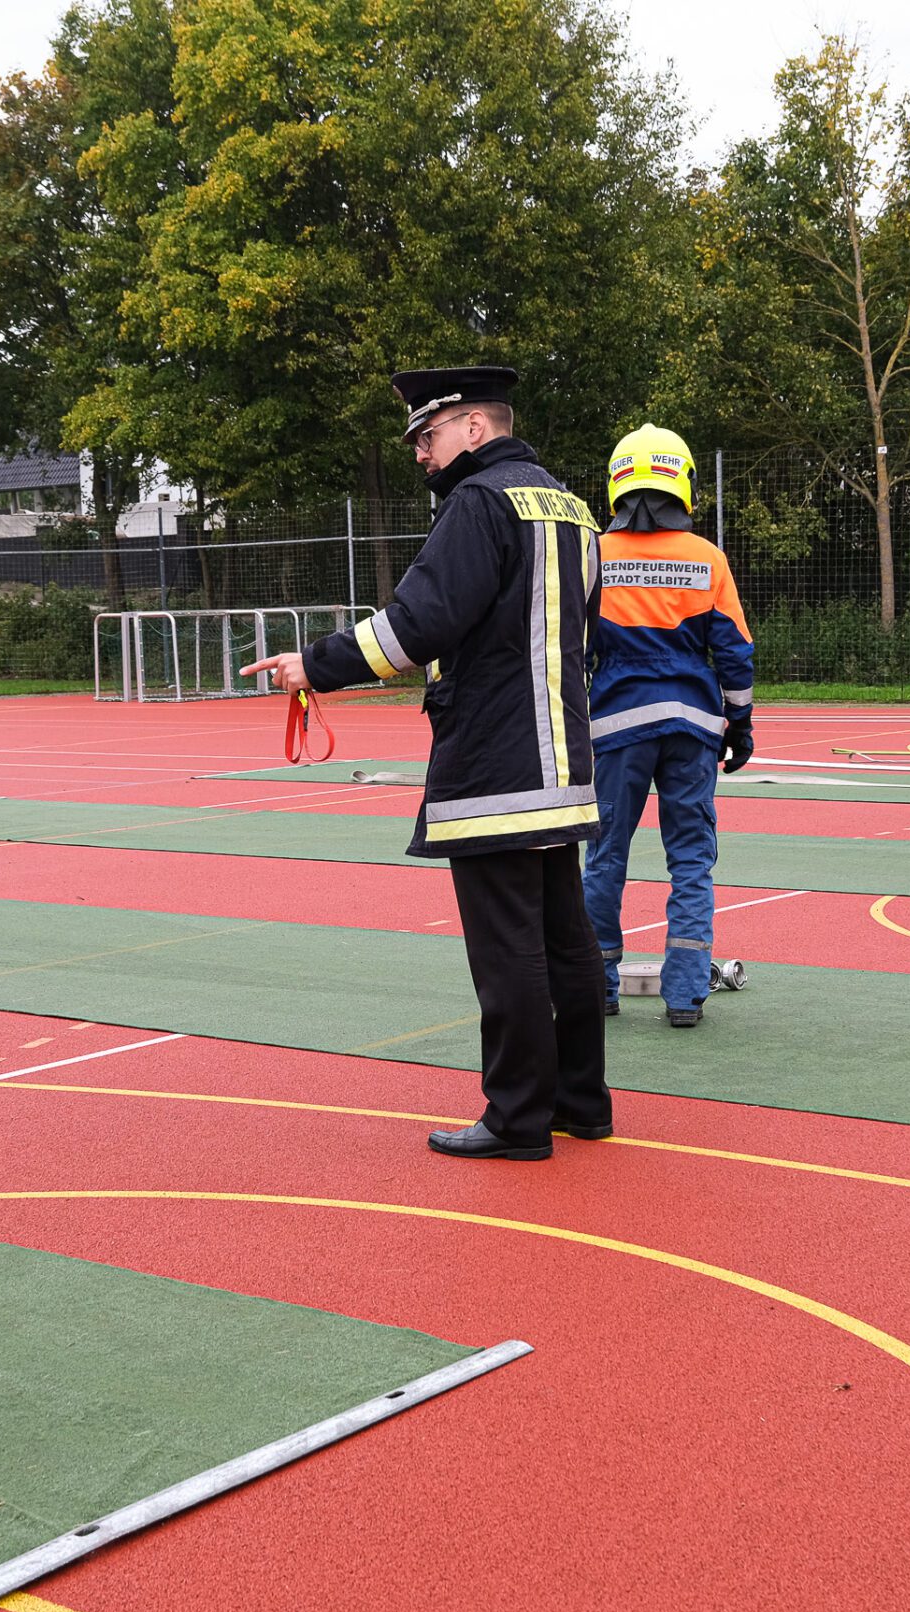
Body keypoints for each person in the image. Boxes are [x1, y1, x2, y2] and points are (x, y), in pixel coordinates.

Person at [243, 366, 609, 1160]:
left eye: (428, 434)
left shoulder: (478, 502)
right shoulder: (572, 508)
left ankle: (517, 1119)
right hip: (563, 753)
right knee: (565, 938)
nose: (418, 451)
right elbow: (590, 629)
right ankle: (582, 1102)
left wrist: (314, 665)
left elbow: (419, 624)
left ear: (475, 427)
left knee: (508, 948)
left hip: (495, 758)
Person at [581, 425, 756, 1028]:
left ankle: (598, 985)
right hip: (693, 726)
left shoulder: (592, 555)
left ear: (617, 483)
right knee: (690, 861)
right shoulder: (707, 558)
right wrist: (740, 724)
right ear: (682, 482)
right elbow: (734, 651)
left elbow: (572, 646)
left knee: (605, 856)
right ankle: (684, 995)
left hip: (616, 724)